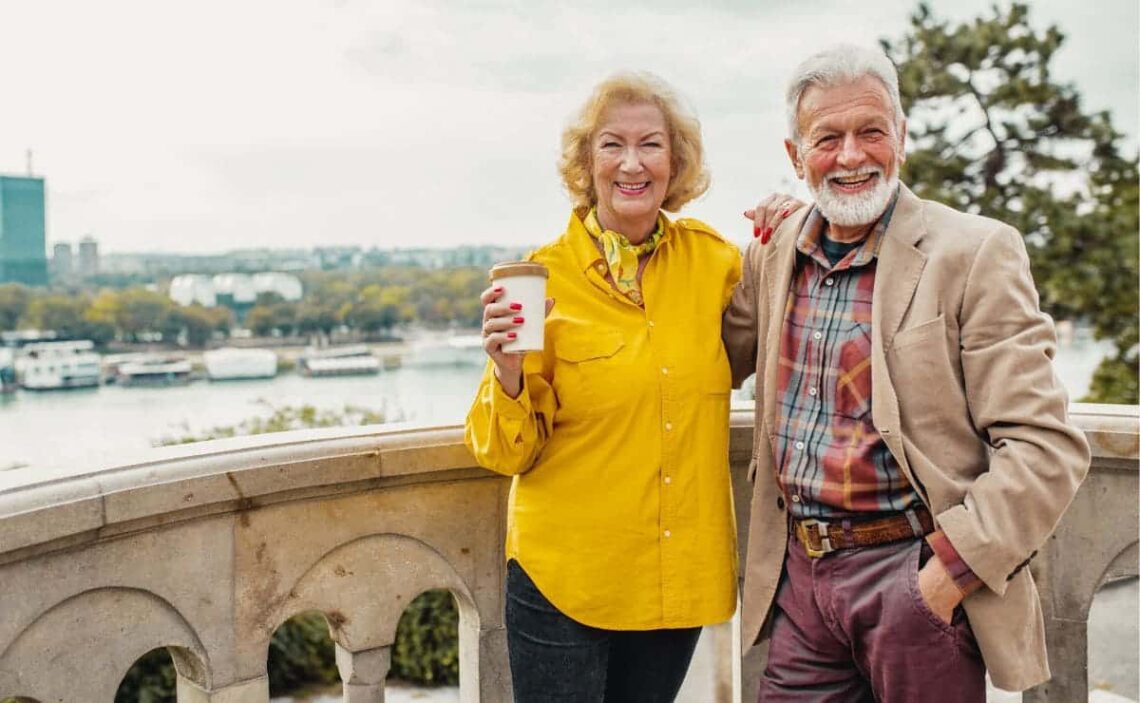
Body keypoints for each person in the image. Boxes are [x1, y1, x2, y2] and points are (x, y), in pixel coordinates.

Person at [723, 44, 1091, 701]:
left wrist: (943, 575)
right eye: (827, 138)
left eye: (871, 131)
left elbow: (1045, 447)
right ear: (795, 156)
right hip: (800, 588)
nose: (851, 155)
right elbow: (703, 362)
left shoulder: (974, 251)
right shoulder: (774, 252)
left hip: (914, 580)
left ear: (902, 137)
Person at [464, 73, 795, 702]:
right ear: (588, 163)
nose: (632, 163)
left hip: (675, 579)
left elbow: (779, 313)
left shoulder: (715, 263)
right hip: (565, 577)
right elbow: (505, 454)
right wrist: (507, 370)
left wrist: (785, 225)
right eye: (612, 145)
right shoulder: (542, 278)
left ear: (677, 161)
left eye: (652, 145)